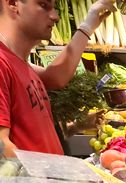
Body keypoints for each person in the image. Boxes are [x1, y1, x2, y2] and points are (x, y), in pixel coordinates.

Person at [0, 0, 115, 155]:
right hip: (34, 179)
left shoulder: (20, 63)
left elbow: (55, 77)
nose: (55, 16)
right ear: (13, 3)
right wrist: (43, 178)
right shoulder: (3, 62)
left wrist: (88, 26)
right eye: (43, 5)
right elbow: (2, 147)